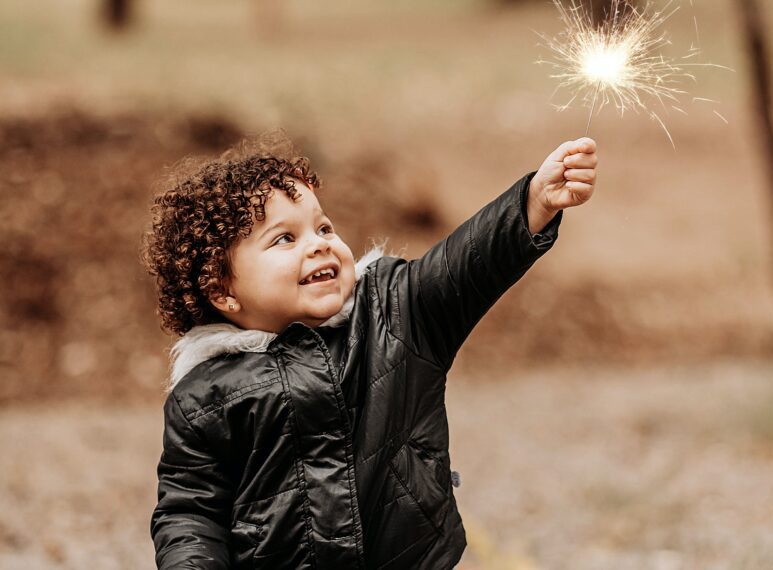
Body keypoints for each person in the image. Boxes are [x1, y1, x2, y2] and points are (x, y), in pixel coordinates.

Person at [143, 135, 598, 569]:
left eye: (323, 226)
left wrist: (534, 202)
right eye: (285, 238)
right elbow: (190, 511)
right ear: (223, 291)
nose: (319, 243)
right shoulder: (204, 395)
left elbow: (465, 266)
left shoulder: (393, 311)